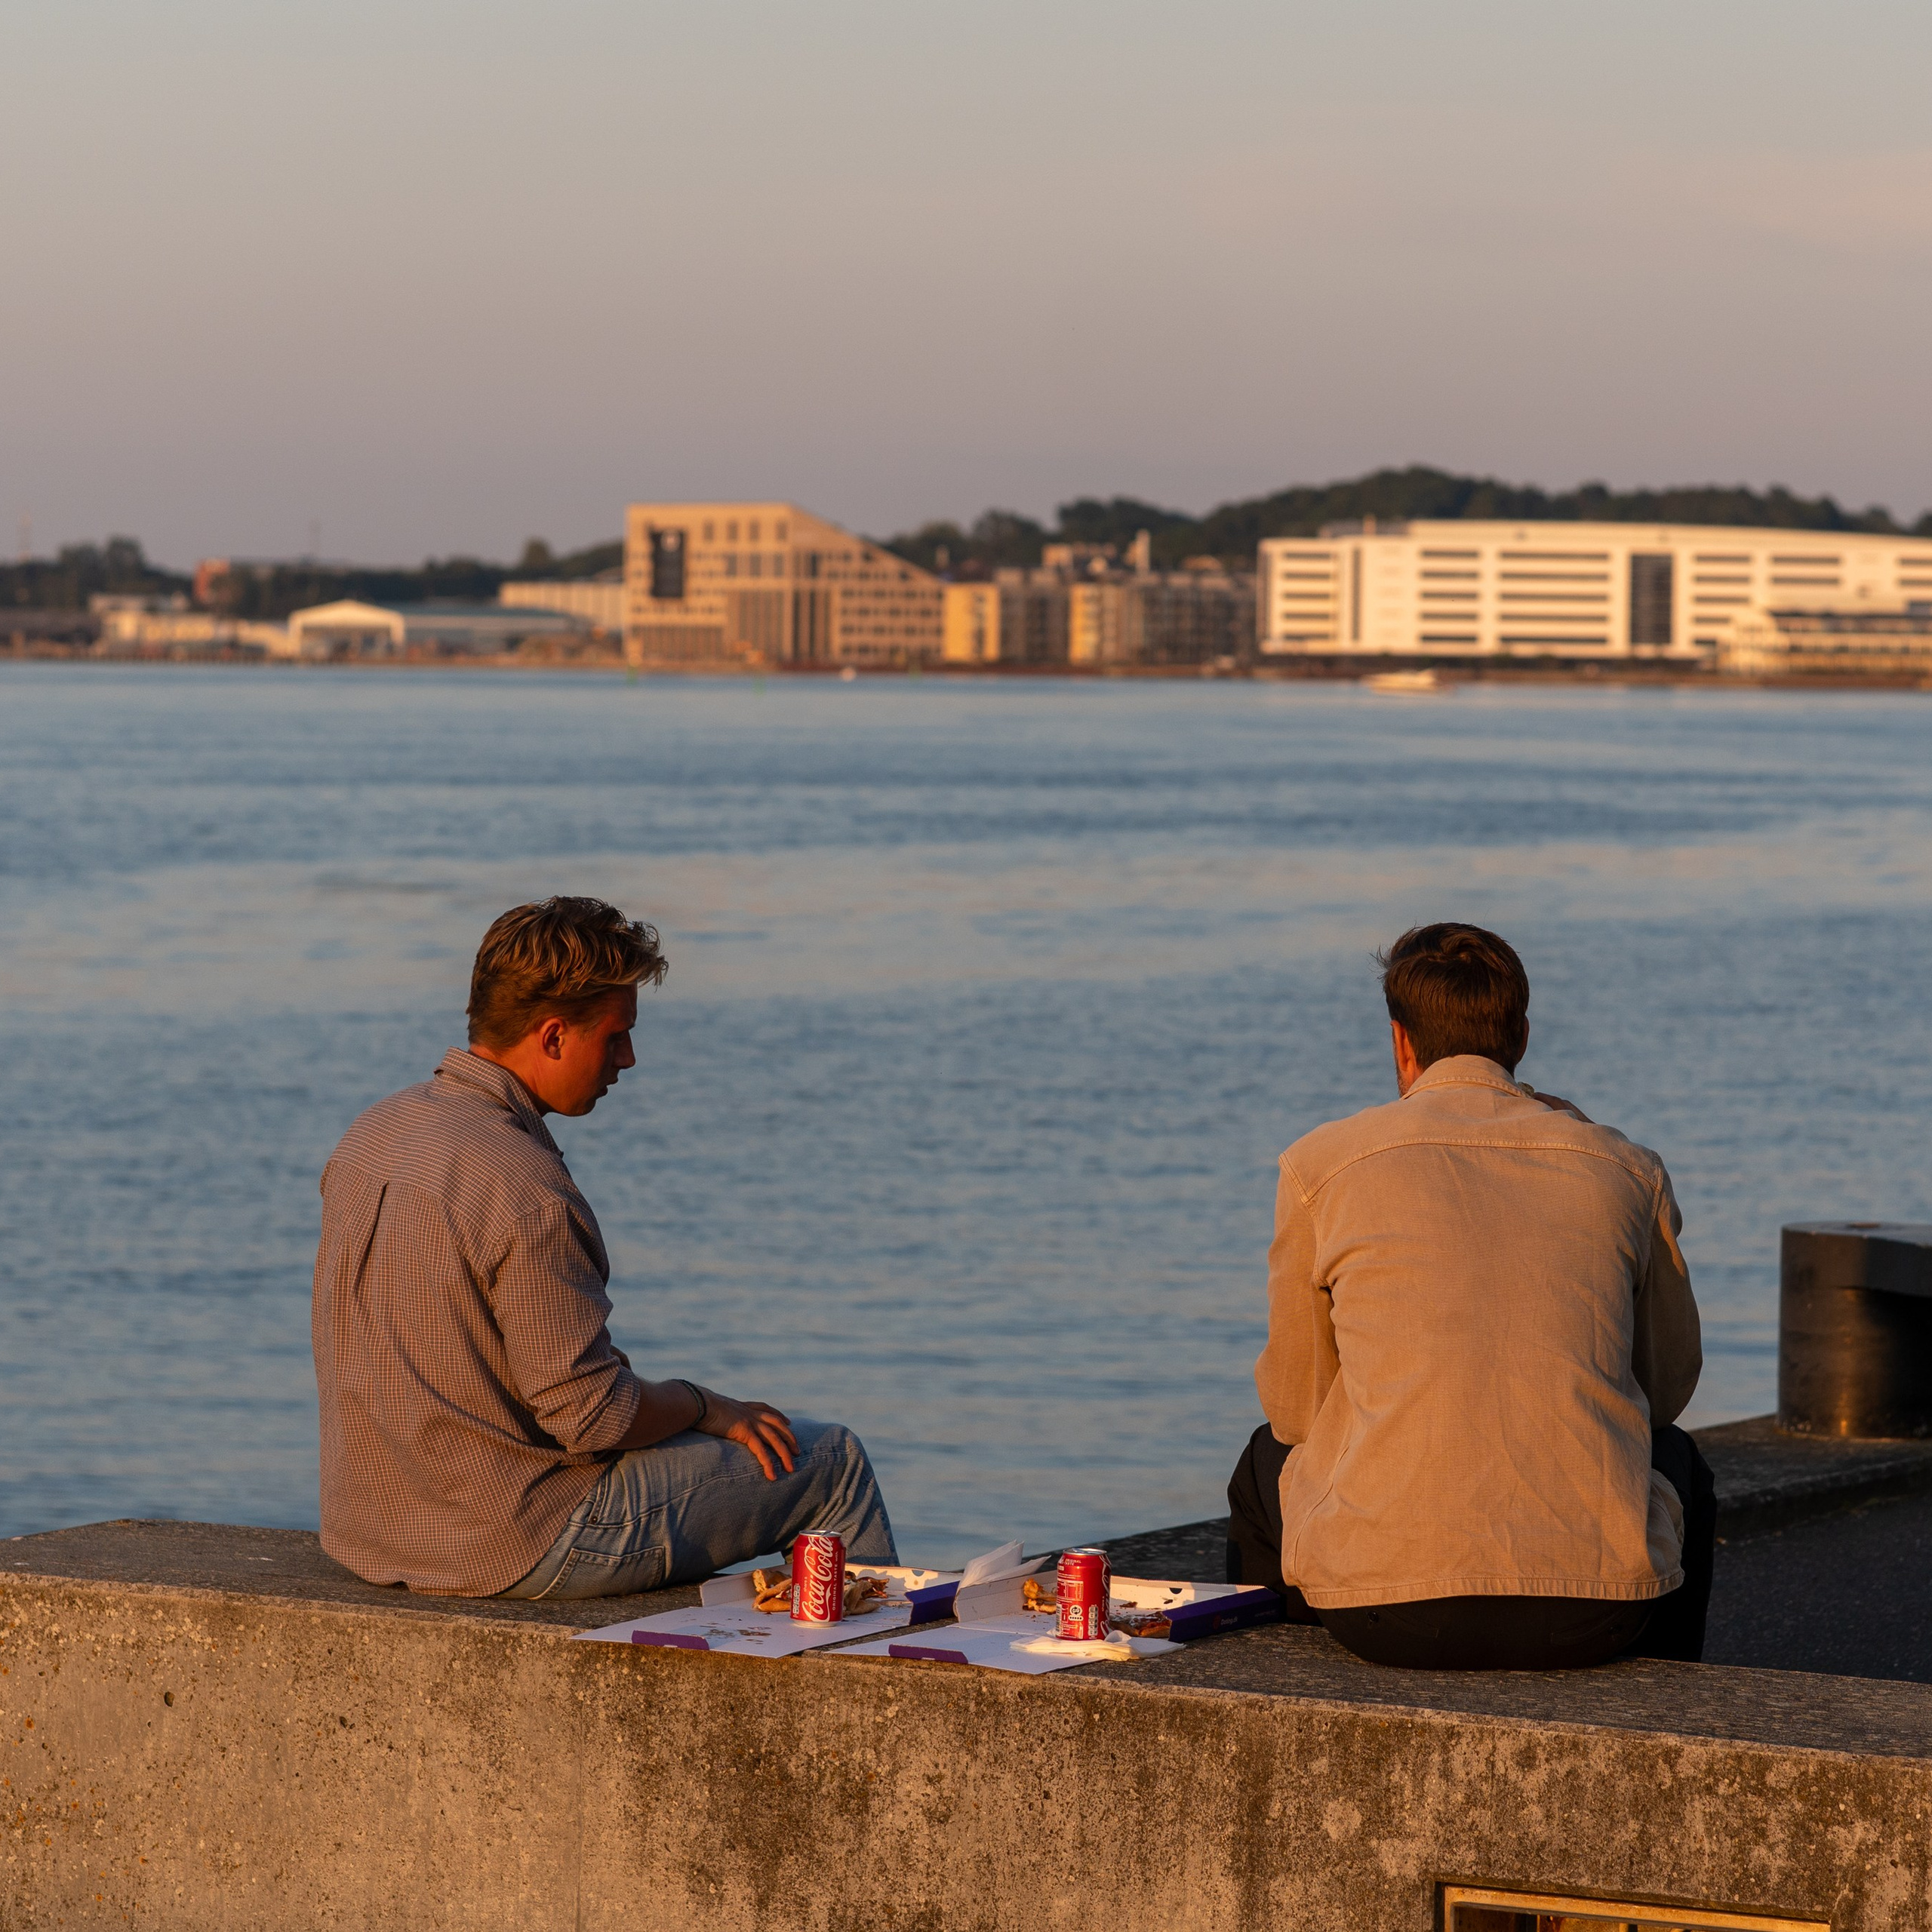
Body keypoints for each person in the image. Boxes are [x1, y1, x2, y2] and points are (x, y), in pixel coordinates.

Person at [311, 896, 897, 1599]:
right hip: (510, 1543)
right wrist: (705, 1405)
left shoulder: (372, 1135)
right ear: (554, 1036)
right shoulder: (526, 1187)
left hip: (369, 1528)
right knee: (831, 1461)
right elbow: (592, 1418)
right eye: (615, 1036)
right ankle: (879, 1676)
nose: (628, 1058)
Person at [1226, 922, 1715, 1669]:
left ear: (1400, 1041)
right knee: (1679, 1460)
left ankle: (1276, 1691)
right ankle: (1674, 1709)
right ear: (1520, 1034)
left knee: (1264, 1462)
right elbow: (1665, 1393)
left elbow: (1296, 1412)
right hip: (1601, 1612)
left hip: (1381, 1613)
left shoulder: (1319, 1167)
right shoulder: (1624, 1168)